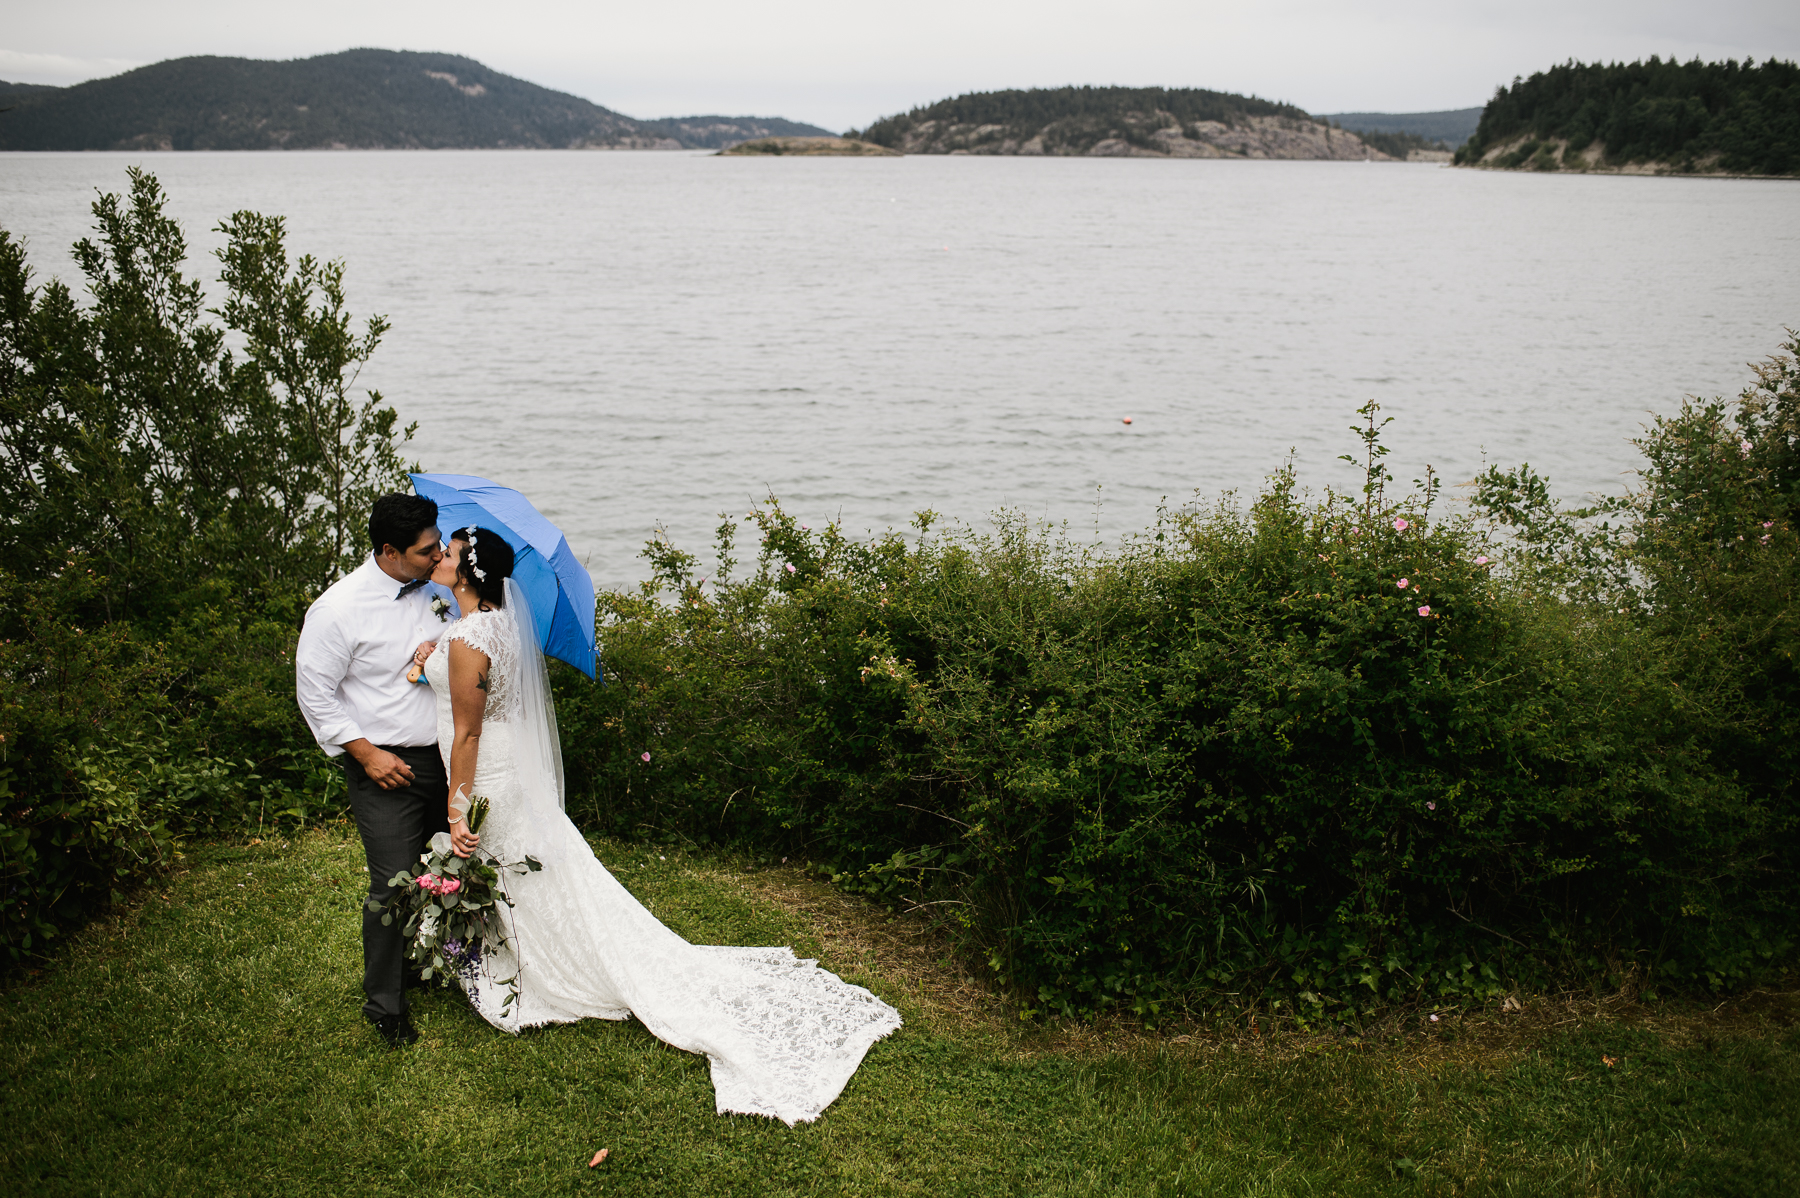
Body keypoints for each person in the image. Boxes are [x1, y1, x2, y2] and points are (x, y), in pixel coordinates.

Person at [422, 525, 900, 1124]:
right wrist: (428, 656)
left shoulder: (469, 638)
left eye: (448, 554)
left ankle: (539, 970)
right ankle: (513, 951)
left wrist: (455, 806)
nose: (438, 558)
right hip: (507, 769)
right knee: (532, 870)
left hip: (485, 774)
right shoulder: (496, 627)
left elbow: (467, 730)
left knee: (512, 865)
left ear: (470, 571)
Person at [295, 493, 459, 1049]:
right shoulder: (339, 609)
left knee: (455, 868)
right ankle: (385, 1004)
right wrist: (365, 754)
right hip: (387, 764)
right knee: (393, 882)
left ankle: (444, 964)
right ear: (388, 551)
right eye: (426, 551)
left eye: (439, 546)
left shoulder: (442, 588)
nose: (438, 558)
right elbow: (314, 695)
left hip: (451, 757)